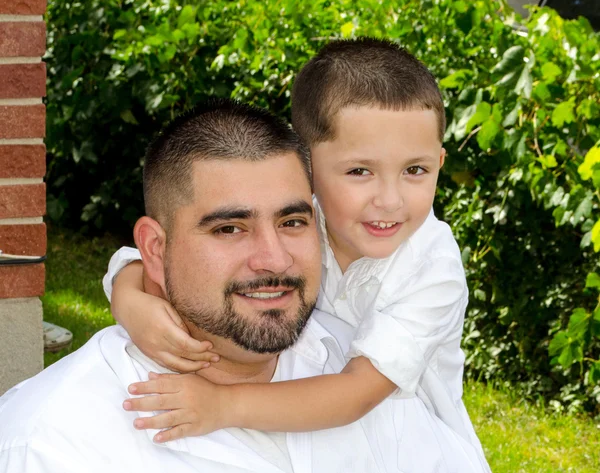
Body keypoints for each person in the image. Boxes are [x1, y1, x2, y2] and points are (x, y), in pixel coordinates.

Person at [0, 99, 485, 472]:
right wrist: (129, 290)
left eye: (293, 222)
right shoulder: (55, 444)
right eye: (228, 229)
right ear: (154, 249)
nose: (273, 258)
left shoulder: (363, 374)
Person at [102, 38, 490, 471]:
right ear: (304, 167)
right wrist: (131, 299)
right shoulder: (303, 222)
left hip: (412, 446)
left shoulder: (432, 267)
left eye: (415, 170)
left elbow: (356, 394)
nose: (390, 200)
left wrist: (222, 404)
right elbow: (158, 256)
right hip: (327, 435)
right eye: (360, 171)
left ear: (440, 161)